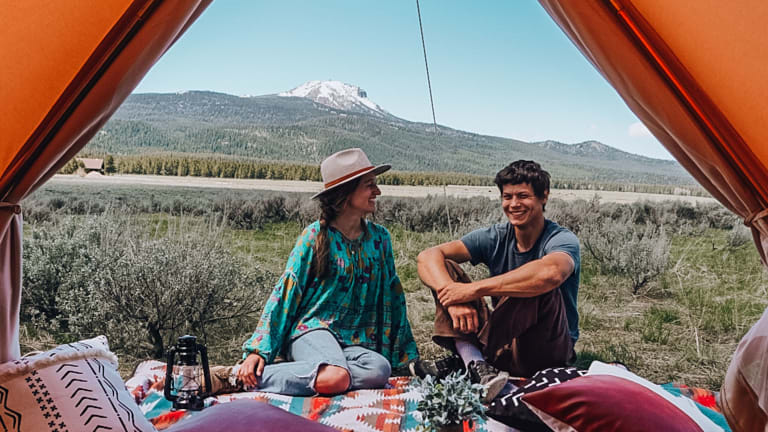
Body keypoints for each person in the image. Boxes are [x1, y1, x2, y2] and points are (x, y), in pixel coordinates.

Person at [218, 148, 418, 396]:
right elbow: (286, 293)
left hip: (352, 343)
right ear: (345, 193)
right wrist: (258, 350)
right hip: (311, 331)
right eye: (369, 185)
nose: (377, 191)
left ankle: (307, 373)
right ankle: (235, 377)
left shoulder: (379, 239)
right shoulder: (314, 237)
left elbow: (393, 297)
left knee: (379, 370)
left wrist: (406, 354)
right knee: (337, 376)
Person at [410, 160, 579, 402]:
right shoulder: (496, 236)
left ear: (544, 196)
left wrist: (473, 290)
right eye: (507, 197)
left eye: (523, 196)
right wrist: (453, 298)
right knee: (444, 268)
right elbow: (427, 257)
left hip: (546, 348)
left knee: (534, 283)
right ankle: (478, 366)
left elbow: (551, 273)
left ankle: (467, 360)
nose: (514, 204)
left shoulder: (561, 239)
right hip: (503, 341)